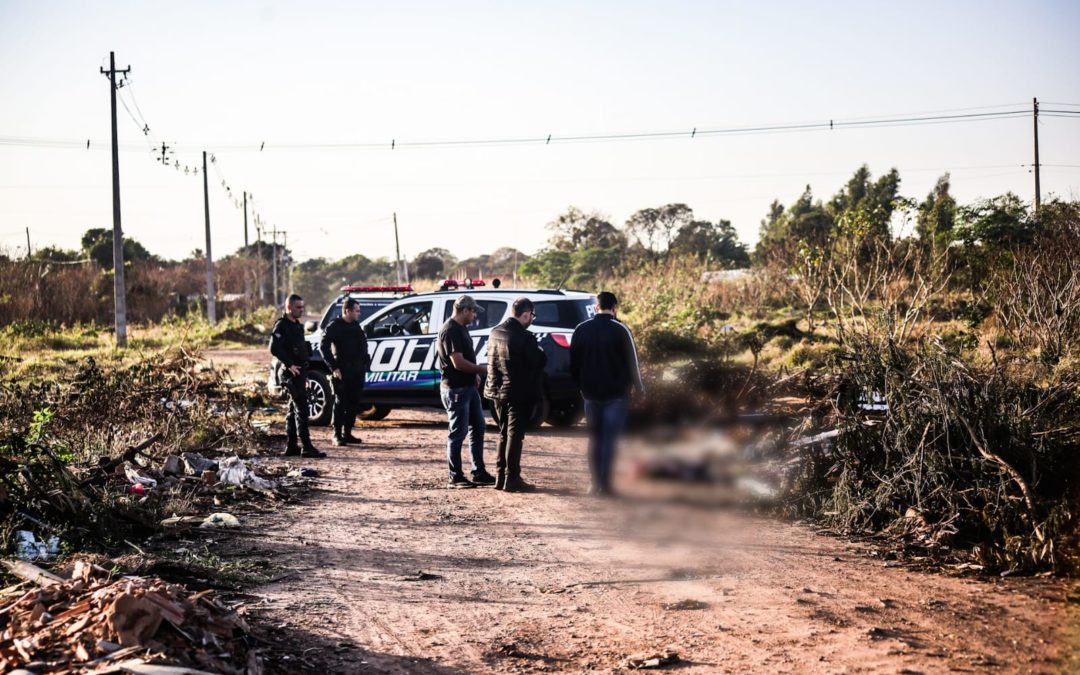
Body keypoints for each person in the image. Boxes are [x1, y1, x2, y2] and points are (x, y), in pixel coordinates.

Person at [570, 291, 643, 496]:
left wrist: (581, 387)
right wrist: (640, 390)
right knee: (609, 440)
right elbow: (633, 363)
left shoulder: (581, 329)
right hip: (616, 395)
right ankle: (606, 485)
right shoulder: (621, 330)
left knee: (595, 438)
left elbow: (573, 364)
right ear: (615, 308)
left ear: (596, 307)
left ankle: (594, 484)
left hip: (590, 394)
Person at [484, 297, 547, 492]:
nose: (532, 319)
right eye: (532, 316)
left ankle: (500, 477)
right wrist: (541, 351)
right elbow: (538, 361)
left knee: (504, 434)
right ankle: (512, 479)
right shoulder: (525, 337)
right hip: (517, 392)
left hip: (495, 391)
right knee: (515, 436)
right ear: (526, 314)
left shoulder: (495, 332)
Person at [437, 295, 496, 488]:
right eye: (473, 312)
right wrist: (481, 369)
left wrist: (474, 376)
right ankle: (455, 476)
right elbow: (458, 362)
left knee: (477, 429)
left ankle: (478, 471)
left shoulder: (461, 328)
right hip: (456, 389)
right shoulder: (450, 330)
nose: (474, 316)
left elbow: (464, 360)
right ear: (465, 310)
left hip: (467, 387)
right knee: (457, 433)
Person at [269, 294, 326, 458]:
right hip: (290, 374)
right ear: (289, 307)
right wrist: (289, 364)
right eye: (298, 307)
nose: (301, 310)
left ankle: (292, 446)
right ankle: (307, 447)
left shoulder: (297, 326)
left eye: (302, 307)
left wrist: (306, 375)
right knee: (302, 409)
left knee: (293, 410)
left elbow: (301, 351)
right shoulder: (282, 325)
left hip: (300, 373)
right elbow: (274, 348)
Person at [320, 297, 370, 447]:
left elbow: (363, 345)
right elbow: (324, 347)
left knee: (353, 403)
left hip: (357, 370)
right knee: (340, 402)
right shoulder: (335, 326)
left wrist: (365, 363)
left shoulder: (356, 326)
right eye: (357, 311)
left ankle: (347, 433)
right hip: (342, 370)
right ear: (347, 311)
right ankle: (337, 434)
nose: (359, 313)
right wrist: (334, 367)